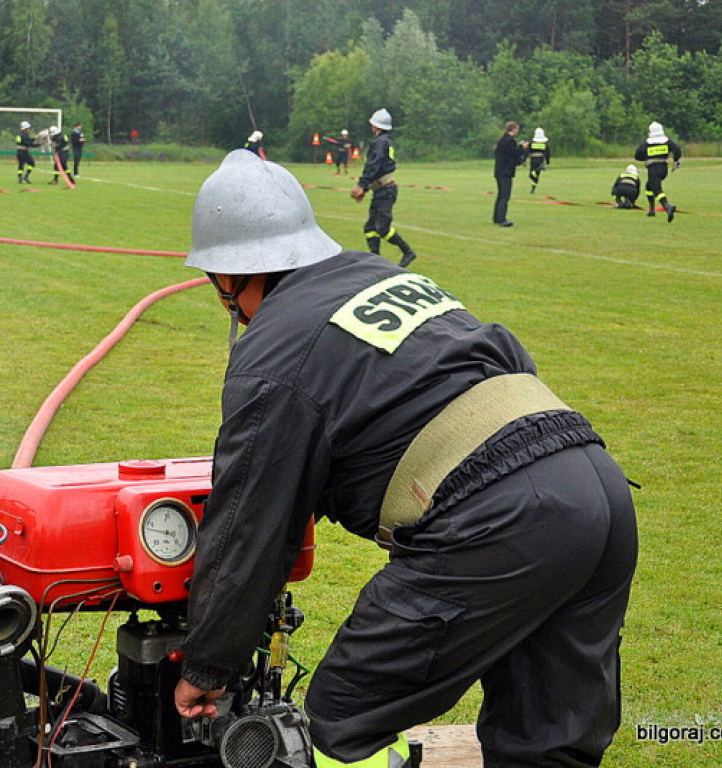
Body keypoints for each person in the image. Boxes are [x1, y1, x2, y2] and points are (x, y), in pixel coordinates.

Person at [174, 149, 638, 768]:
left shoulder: (271, 356)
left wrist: (208, 665)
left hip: (499, 524)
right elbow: (504, 362)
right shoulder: (381, 274)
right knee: (547, 738)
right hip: (595, 486)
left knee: (346, 716)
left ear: (226, 276)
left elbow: (250, 527)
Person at [351, 109, 416, 268]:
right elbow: (378, 170)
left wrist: (361, 185)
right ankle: (376, 260)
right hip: (381, 190)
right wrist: (366, 189)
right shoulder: (385, 141)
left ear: (375, 126)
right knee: (371, 228)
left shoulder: (380, 143)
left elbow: (373, 166)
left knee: (382, 228)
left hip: (385, 191)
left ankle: (408, 252)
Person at [634, 121, 681, 222]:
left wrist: (647, 157)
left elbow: (637, 155)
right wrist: (676, 160)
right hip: (664, 168)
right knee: (649, 187)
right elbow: (677, 149)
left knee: (657, 190)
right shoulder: (667, 141)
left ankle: (667, 206)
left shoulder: (647, 143)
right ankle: (652, 210)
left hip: (653, 169)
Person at [493, 121, 528, 227]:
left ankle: (497, 217)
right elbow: (514, 153)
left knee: (501, 195)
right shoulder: (509, 141)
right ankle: (501, 219)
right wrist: (523, 148)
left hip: (500, 171)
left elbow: (510, 155)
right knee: (505, 196)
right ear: (513, 129)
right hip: (505, 172)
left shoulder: (503, 140)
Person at [527, 127, 550, 193]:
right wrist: (548, 162)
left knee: (531, 174)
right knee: (536, 175)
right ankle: (533, 189)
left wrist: (523, 159)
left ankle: (533, 189)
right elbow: (548, 153)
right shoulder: (545, 145)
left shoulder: (531, 144)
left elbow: (527, 151)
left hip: (533, 160)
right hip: (540, 160)